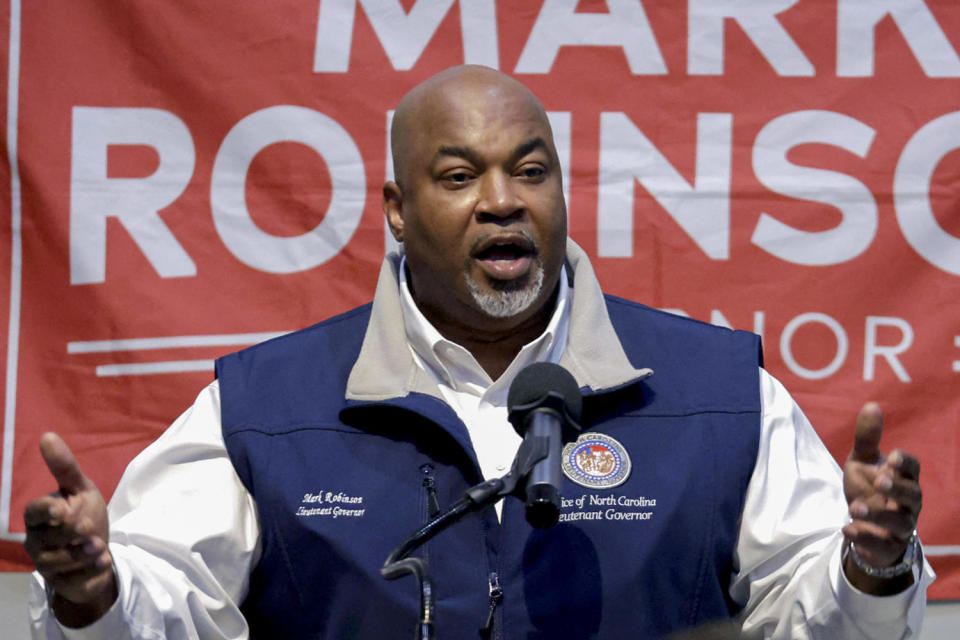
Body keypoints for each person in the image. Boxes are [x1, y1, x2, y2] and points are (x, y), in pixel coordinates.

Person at [25, 65, 934, 639]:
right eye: (459, 176)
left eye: (530, 171)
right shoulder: (264, 405)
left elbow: (820, 615)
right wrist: (93, 594)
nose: (502, 200)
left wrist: (873, 566)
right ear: (396, 208)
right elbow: (170, 604)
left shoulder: (719, 394)